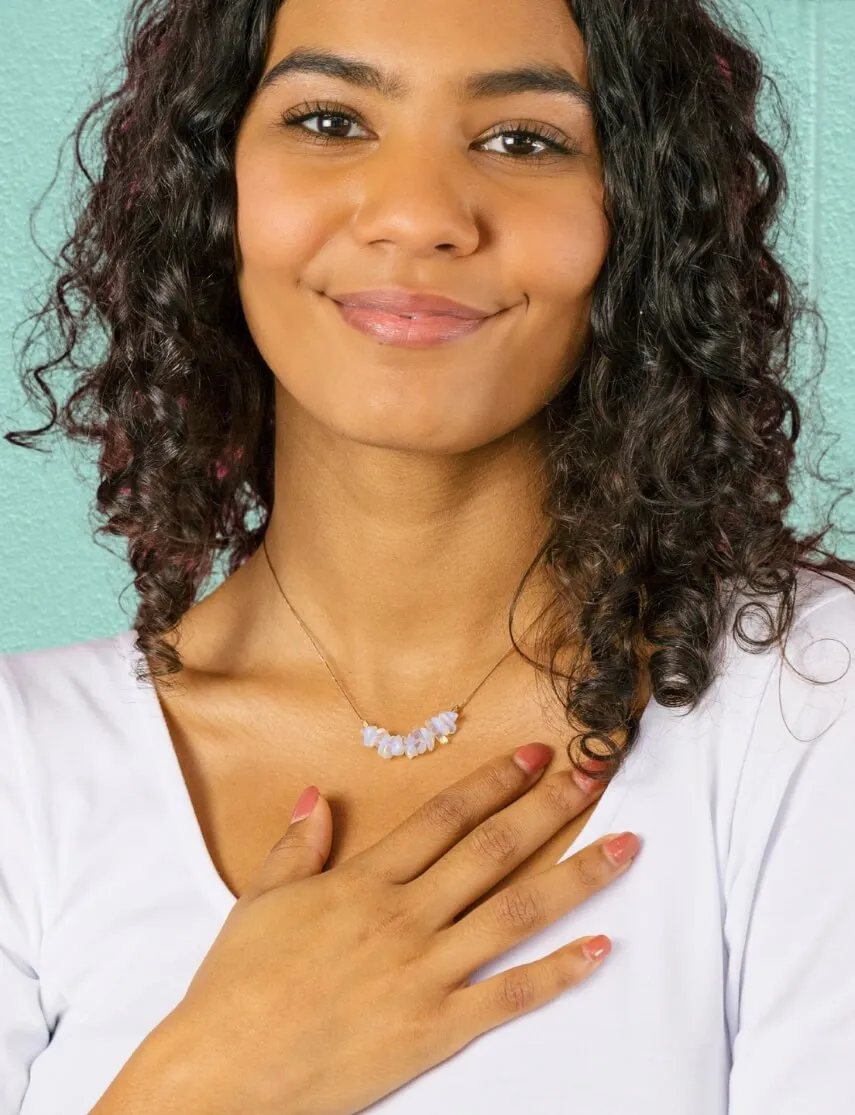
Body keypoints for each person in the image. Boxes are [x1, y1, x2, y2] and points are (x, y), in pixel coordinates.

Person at [2, 0, 855, 1111]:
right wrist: (211, 1079)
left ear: (639, 213)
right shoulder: (19, 769)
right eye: (329, 119)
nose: (417, 215)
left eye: (522, 140)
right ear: (213, 188)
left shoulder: (812, 708)